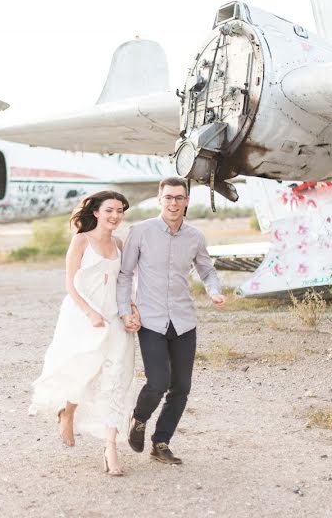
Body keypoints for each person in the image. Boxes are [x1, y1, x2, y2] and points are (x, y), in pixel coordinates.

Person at [30, 190, 141, 476]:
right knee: (84, 370)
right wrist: (90, 313)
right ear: (96, 212)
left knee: (117, 377)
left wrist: (131, 310)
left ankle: (110, 447)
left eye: (120, 211)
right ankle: (67, 412)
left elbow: (123, 283)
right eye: (109, 211)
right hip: (83, 315)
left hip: (114, 317)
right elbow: (70, 284)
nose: (115, 216)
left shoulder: (118, 243)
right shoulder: (81, 240)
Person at [117, 176, 226, 465]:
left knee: (181, 387)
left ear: (187, 200)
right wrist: (124, 309)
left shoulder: (195, 237)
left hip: (184, 320)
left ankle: (161, 443)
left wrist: (214, 291)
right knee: (158, 382)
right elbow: (125, 274)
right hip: (150, 319)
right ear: (159, 199)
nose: (173, 203)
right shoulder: (140, 232)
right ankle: (139, 419)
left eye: (179, 197)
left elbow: (207, 270)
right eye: (168, 197)